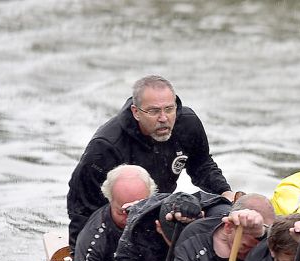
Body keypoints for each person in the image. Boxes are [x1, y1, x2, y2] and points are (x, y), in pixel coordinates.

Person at [66, 75, 235, 250]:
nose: (164, 118)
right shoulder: (106, 146)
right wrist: (77, 251)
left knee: (220, 211)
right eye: (154, 111)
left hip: (160, 211)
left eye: (169, 109)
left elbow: (202, 165)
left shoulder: (188, 124)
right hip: (119, 220)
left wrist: (225, 191)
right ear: (136, 112)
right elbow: (81, 206)